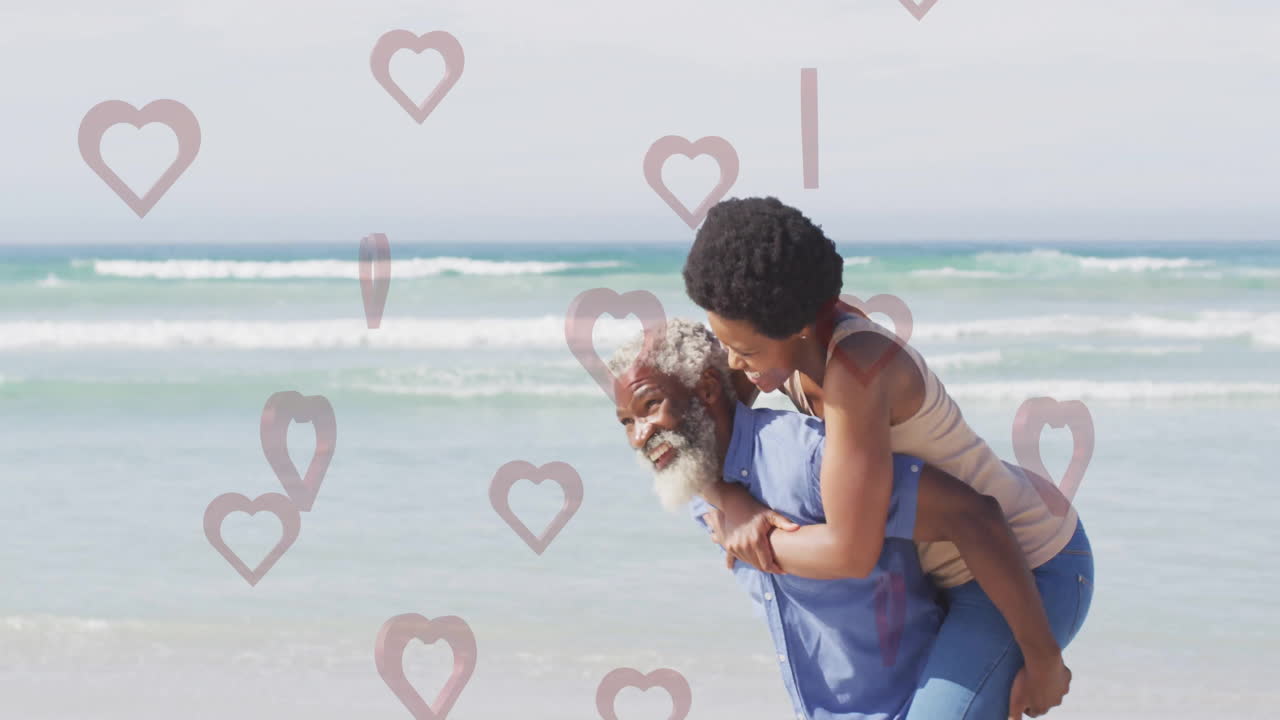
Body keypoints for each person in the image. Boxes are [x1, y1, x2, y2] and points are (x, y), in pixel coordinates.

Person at [681, 197, 1095, 719]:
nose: (733, 362)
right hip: (942, 574)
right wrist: (730, 501)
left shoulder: (857, 370)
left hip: (1026, 567)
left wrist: (1044, 662)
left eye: (746, 350)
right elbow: (703, 436)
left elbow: (850, 553)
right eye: (725, 342)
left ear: (796, 324)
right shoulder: (774, 339)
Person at [607, 319, 1083, 720]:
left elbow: (973, 515)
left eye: (649, 407)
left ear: (707, 391)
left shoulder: (808, 457)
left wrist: (1044, 663)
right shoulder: (699, 486)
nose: (638, 436)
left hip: (928, 679)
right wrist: (726, 500)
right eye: (626, 421)